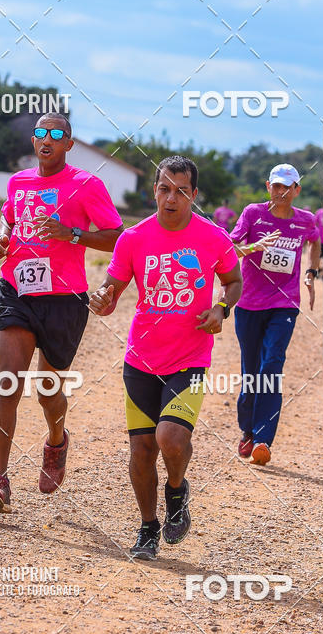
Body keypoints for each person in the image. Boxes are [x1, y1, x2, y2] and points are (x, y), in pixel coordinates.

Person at [89, 155, 243, 560]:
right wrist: (101, 300)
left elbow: (234, 281)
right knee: (141, 450)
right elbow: (111, 291)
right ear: (154, 191)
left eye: (179, 190)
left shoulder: (213, 238)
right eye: (163, 188)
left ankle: (177, 490)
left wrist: (221, 309)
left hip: (190, 358)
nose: (170, 197)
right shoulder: (134, 238)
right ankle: (147, 528)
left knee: (170, 439)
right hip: (141, 358)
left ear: (193, 195)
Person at [0, 113, 123, 513]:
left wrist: (71, 234)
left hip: (64, 298)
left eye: (57, 134)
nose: (48, 139)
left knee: (47, 391)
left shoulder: (86, 185)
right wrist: (2, 239)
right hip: (17, 289)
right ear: (34, 140)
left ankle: (56, 439)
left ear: (69, 145)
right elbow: (9, 217)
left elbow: (117, 239)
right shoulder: (18, 181)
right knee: (9, 382)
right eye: (41, 132)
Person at [229, 164, 321, 466]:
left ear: (297, 189)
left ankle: (263, 438)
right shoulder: (253, 214)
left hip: (284, 304)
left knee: (272, 365)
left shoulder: (305, 220)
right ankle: (248, 431)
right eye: (276, 186)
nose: (281, 192)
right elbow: (230, 249)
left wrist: (310, 273)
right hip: (248, 304)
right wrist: (255, 246)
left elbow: (315, 241)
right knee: (251, 371)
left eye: (288, 187)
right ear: (269, 186)